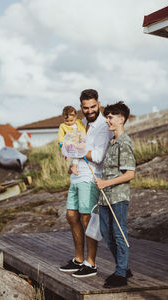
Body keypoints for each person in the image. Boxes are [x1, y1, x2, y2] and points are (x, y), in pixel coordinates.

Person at [59, 89, 112, 278]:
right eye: (85, 107)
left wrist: (77, 149)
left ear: (98, 104)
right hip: (75, 176)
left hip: (90, 178)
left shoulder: (104, 126)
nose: (90, 110)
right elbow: (68, 147)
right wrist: (69, 151)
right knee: (71, 216)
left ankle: (91, 263)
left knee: (86, 218)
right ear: (80, 107)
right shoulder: (79, 124)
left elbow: (98, 157)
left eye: (93, 106)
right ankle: (78, 259)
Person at [94, 101, 136, 288]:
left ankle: (121, 274)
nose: (107, 120)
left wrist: (106, 183)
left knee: (119, 234)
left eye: (110, 117)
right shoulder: (112, 142)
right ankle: (124, 266)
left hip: (118, 197)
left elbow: (130, 173)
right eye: (107, 117)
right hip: (105, 198)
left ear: (121, 119)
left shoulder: (124, 142)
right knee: (105, 233)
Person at [58, 106, 86, 175]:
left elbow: (83, 130)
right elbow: (60, 136)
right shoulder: (62, 126)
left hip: (78, 142)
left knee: (78, 153)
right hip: (69, 143)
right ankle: (74, 167)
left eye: (71, 120)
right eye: (66, 121)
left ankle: (71, 166)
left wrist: (83, 139)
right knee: (76, 155)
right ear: (63, 118)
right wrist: (62, 144)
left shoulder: (79, 122)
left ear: (75, 117)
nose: (69, 123)